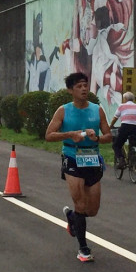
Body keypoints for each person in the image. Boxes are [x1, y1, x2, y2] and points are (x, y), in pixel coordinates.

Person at [45, 72, 111, 262]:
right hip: (72, 157)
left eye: (85, 85)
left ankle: (72, 216)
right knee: (80, 203)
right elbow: (49, 135)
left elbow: (108, 136)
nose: (83, 89)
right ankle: (83, 248)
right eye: (79, 86)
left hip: (92, 158)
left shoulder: (97, 110)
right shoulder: (63, 110)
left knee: (92, 210)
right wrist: (70, 134)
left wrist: (97, 138)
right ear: (70, 90)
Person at [109, 91, 136, 169]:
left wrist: (110, 126)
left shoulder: (122, 106)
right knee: (132, 143)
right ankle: (133, 160)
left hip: (125, 127)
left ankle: (121, 160)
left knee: (116, 145)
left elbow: (115, 118)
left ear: (125, 99)